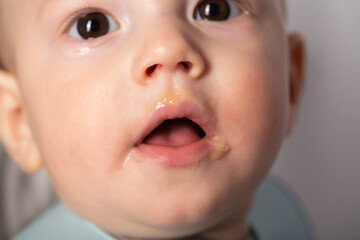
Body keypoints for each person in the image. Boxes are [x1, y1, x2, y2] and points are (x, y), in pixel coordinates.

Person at [0, 0, 311, 239]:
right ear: (21, 121)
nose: (168, 47)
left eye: (215, 9)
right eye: (92, 25)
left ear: (290, 84)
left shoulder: (285, 215)